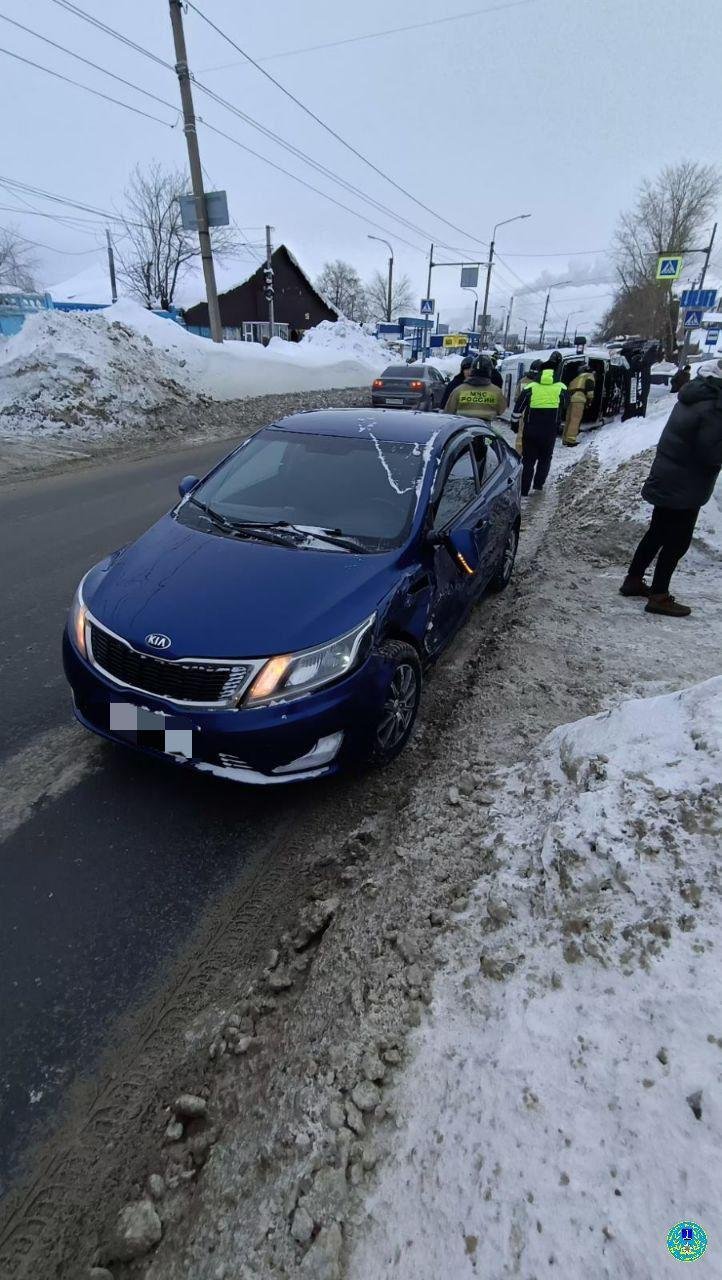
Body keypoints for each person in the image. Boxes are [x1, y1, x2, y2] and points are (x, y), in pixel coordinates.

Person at [620, 358, 722, 617]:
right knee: (677, 541)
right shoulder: (714, 406)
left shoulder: (694, 395)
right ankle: (659, 596)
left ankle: (633, 580)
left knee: (657, 532)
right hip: (686, 484)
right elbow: (710, 452)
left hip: (670, 475)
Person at [511, 353, 567, 494]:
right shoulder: (561, 388)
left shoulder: (531, 387)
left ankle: (524, 490)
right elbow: (566, 404)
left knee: (528, 461)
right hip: (550, 431)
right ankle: (538, 485)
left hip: (531, 430)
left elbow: (518, 407)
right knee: (545, 459)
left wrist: (514, 423)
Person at [444, 354, 507, 420]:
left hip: (462, 428)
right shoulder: (496, 392)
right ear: (490, 371)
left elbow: (448, 412)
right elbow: (501, 410)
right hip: (485, 428)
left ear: (472, 370)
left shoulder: (458, 390)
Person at [562, 362, 596, 446]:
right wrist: (590, 401)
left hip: (571, 400)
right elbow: (590, 390)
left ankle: (565, 439)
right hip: (579, 399)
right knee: (575, 419)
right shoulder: (589, 376)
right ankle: (570, 440)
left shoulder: (576, 379)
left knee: (569, 420)